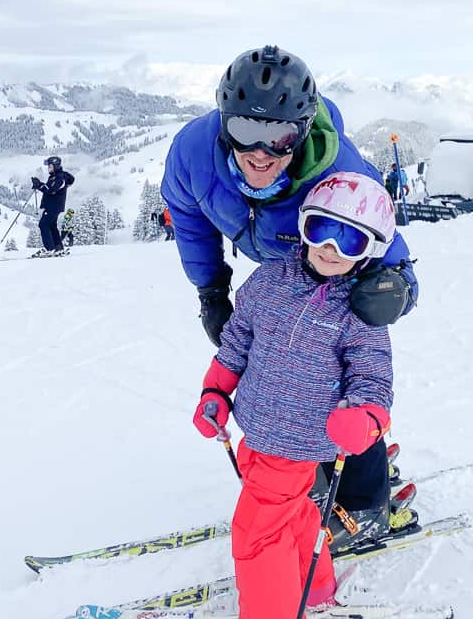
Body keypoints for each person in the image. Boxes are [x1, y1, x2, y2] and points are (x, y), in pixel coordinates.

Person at [162, 45, 419, 553]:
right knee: (279, 373)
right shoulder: (193, 153)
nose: (261, 152)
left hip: (335, 275)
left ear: (300, 131)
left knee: (338, 381)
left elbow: (387, 242)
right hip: (281, 272)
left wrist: (395, 288)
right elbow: (188, 218)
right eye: (245, 133)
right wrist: (211, 289)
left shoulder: (337, 170)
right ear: (223, 124)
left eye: (278, 138)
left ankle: (366, 500)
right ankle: (309, 475)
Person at [192, 172, 394, 619]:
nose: (330, 247)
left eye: (349, 238)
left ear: (369, 250)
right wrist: (216, 389)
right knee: (299, 513)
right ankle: (315, 585)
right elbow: (238, 339)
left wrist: (366, 418)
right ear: (304, 225)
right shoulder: (268, 281)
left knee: (258, 531)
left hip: (303, 437)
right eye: (322, 228)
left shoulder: (359, 310)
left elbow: (373, 377)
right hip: (256, 426)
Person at [31, 156, 74, 256]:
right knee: (51, 226)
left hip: (53, 206)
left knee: (43, 224)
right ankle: (58, 248)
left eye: (50, 166)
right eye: (48, 167)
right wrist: (39, 185)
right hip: (54, 205)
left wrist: (39, 185)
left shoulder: (60, 177)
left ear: (56, 165)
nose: (49, 168)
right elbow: (49, 188)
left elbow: (51, 190)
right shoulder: (55, 176)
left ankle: (49, 248)